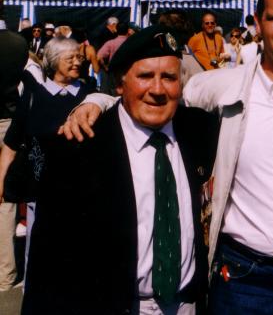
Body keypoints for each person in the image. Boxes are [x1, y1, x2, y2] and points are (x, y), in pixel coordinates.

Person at [63, 0, 273, 315]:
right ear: (258, 23)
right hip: (242, 279)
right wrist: (97, 101)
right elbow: (157, 98)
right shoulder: (220, 87)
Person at [21, 25, 219, 314]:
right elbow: (48, 261)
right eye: (145, 76)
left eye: (169, 77)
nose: (157, 89)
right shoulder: (78, 148)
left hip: (188, 304)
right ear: (119, 83)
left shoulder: (200, 130)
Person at [0, 37, 93, 286]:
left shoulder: (89, 97)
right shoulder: (33, 97)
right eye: (70, 58)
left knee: (76, 256)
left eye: (79, 57)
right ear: (53, 62)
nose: (77, 62)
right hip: (39, 192)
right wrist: (0, 181)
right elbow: (10, 144)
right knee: (38, 255)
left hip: (80, 192)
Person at [0, 30, 28, 292]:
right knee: (5, 202)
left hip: (9, 122)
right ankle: (5, 275)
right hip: (8, 121)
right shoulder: (18, 43)